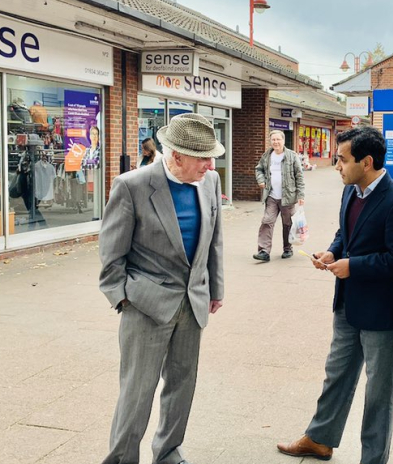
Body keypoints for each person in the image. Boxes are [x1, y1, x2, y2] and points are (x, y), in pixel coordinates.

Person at [277, 126, 393, 464]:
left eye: (342, 159)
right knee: (336, 373)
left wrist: (353, 266)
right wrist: (331, 252)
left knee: (378, 390)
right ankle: (319, 439)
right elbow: (346, 232)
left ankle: (373, 458)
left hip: (381, 309)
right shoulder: (351, 191)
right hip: (347, 303)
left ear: (367, 162)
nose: (336, 165)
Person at [98, 113, 225, 464]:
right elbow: (111, 253)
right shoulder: (132, 186)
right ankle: (122, 459)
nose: (210, 164)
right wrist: (123, 298)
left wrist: (215, 287)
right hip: (145, 306)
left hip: (193, 302)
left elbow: (214, 239)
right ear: (176, 155)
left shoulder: (210, 181)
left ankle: (168, 452)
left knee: (182, 387)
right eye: (203, 157)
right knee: (137, 393)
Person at [253, 130, 305, 261]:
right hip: (271, 196)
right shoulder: (267, 156)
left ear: (283, 140)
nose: (275, 142)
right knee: (267, 221)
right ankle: (264, 251)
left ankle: (287, 249)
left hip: (288, 197)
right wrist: (261, 180)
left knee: (287, 224)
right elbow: (258, 169)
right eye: (273, 140)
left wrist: (301, 195)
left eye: (278, 139)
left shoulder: (291, 156)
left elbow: (299, 176)